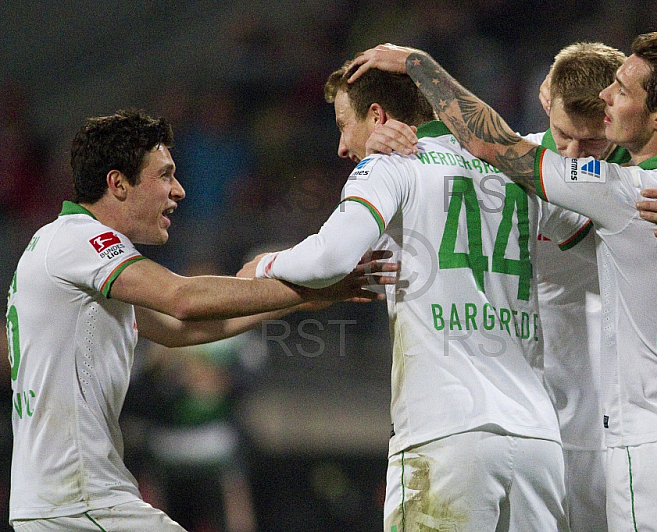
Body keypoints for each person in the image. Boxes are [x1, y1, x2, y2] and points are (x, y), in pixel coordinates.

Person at [349, 33, 657, 530]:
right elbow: (465, 156)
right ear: (544, 98)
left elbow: (487, 140)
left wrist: (417, 64)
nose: (580, 149)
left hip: (638, 445)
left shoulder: (618, 188)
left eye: (618, 96)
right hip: (555, 427)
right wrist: (394, 142)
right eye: (565, 136)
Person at [238, 58, 602, 531]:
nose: (343, 145)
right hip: (537, 441)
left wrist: (263, 265)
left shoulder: (390, 166)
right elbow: (590, 223)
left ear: (378, 116)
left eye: (346, 125)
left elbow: (330, 259)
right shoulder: (513, 164)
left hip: (446, 434)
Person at [4, 109, 395, 531]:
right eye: (164, 175)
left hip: (64, 497)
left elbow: (181, 329)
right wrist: (310, 284)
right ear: (117, 184)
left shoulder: (59, 247)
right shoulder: (79, 240)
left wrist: (298, 300)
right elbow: (182, 298)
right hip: (80, 499)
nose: (179, 190)